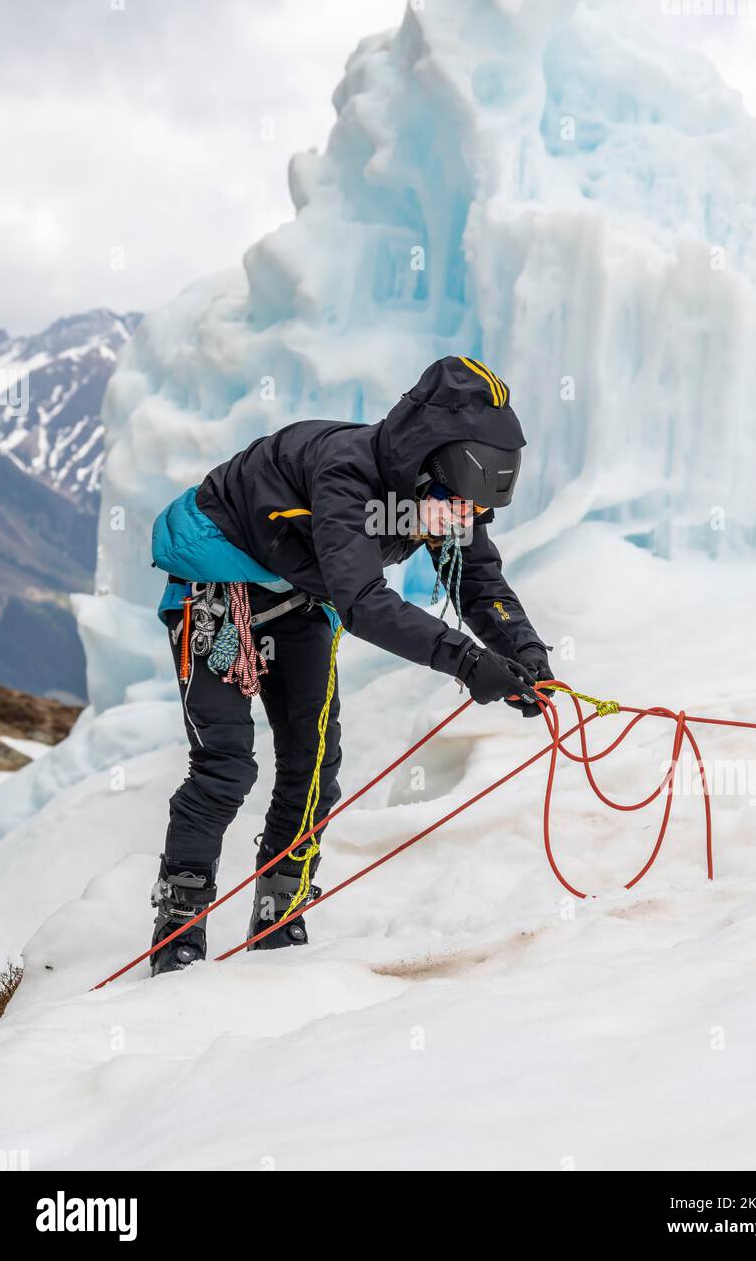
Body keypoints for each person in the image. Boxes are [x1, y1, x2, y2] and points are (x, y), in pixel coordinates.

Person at [148, 355, 553, 974]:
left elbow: (479, 578)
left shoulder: (443, 497)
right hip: (217, 591)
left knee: (313, 765)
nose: (462, 520)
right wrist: (470, 662)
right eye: (454, 503)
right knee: (225, 766)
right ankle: (179, 927)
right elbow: (363, 602)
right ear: (424, 470)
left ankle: (278, 921)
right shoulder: (347, 473)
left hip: (301, 598)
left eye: (475, 511)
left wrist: (527, 657)